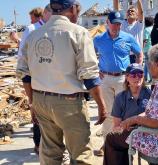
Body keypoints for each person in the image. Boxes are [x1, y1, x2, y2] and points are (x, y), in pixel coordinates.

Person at [16, 0, 107, 164]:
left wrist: (32, 101)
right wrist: (101, 105)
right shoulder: (78, 32)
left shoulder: (34, 35)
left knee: (51, 154)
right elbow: (90, 75)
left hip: (41, 100)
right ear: (72, 8)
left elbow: (25, 74)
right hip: (69, 102)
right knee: (81, 155)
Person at [93, 11, 143, 156]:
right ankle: (107, 145)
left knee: (124, 112)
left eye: (119, 24)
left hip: (123, 79)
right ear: (107, 23)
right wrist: (96, 68)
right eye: (114, 23)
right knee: (108, 113)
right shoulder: (98, 39)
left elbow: (139, 54)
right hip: (105, 79)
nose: (116, 26)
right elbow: (88, 55)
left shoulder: (128, 38)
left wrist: (137, 70)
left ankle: (125, 144)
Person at [12, 5, 52, 154]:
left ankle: (43, 144)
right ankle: (41, 143)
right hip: (42, 75)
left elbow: (22, 52)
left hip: (42, 74)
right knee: (40, 107)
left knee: (40, 108)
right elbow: (24, 52)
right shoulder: (39, 29)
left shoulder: (39, 28)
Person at [103, 63, 151, 165]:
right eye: (133, 75)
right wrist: (124, 128)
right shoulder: (120, 97)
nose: (137, 77)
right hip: (129, 132)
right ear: (127, 77)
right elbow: (117, 126)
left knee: (111, 140)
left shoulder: (151, 93)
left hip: (149, 132)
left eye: (140, 74)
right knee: (112, 138)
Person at [143, 16, 154, 82]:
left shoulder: (146, 29)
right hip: (152, 48)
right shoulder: (153, 28)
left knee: (148, 64)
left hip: (147, 49)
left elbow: (145, 40)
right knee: (147, 64)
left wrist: (142, 48)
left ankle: (151, 79)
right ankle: (145, 78)